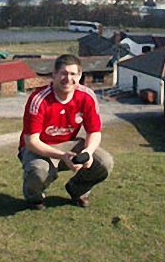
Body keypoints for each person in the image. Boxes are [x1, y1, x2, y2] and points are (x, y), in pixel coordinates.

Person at [18, 54, 114, 210]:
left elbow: (94, 132)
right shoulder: (38, 99)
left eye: (73, 74)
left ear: (80, 75)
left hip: (69, 144)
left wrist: (88, 152)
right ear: (54, 75)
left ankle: (77, 190)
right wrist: (62, 156)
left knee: (104, 162)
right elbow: (31, 141)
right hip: (39, 148)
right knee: (38, 171)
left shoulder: (87, 96)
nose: (68, 79)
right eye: (63, 73)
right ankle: (34, 198)